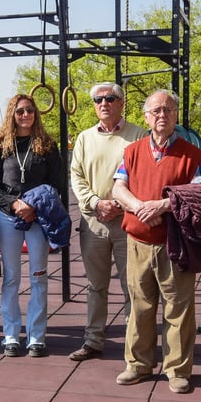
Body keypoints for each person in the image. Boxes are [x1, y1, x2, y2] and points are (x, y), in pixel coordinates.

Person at [110, 90, 201, 394]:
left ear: (176, 114)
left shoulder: (191, 154)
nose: (161, 115)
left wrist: (162, 206)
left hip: (175, 241)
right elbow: (118, 188)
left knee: (178, 307)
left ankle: (177, 369)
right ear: (145, 117)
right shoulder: (132, 151)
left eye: (167, 110)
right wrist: (141, 207)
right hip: (138, 239)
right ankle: (138, 364)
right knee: (139, 305)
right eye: (155, 111)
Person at [68, 82, 145, 362]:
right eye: (98, 99)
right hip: (94, 221)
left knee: (132, 286)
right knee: (95, 285)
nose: (104, 103)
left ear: (121, 102)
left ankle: (134, 346)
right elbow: (76, 177)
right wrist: (96, 203)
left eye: (110, 98)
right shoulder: (84, 138)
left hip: (127, 220)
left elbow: (144, 176)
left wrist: (118, 203)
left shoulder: (138, 135)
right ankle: (93, 340)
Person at [0, 93, 65, 357]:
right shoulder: (0, 146)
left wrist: (33, 207)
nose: (25, 115)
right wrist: (15, 205)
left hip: (37, 219)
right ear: (12, 114)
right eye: (20, 111)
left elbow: (57, 186)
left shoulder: (48, 145)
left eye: (30, 110)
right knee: (11, 278)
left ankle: (36, 337)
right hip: (9, 218)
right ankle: (10, 335)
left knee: (38, 277)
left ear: (36, 113)